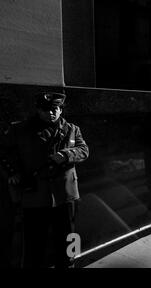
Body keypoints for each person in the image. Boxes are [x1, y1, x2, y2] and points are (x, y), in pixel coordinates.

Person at [0, 93, 89, 268]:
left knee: (71, 236)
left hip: (67, 194)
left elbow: (84, 150)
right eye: (47, 109)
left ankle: (71, 264)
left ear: (61, 109)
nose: (52, 113)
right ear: (38, 110)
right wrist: (12, 172)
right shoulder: (19, 129)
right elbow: (4, 152)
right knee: (34, 242)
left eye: (56, 109)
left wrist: (66, 154)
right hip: (35, 196)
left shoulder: (72, 129)